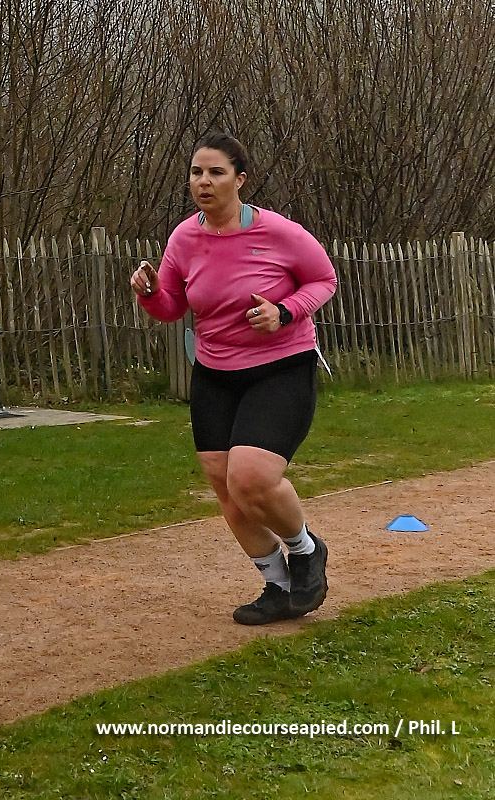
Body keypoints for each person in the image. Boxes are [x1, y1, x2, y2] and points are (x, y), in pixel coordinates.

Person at [131, 132, 337, 625]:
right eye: (196, 172)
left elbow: (324, 279)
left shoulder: (279, 232)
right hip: (215, 374)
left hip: (280, 366)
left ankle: (306, 550)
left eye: (216, 172)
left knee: (251, 479)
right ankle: (277, 588)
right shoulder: (184, 238)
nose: (204, 182)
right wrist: (150, 292)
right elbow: (172, 307)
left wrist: (284, 312)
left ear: (240, 180)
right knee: (227, 491)